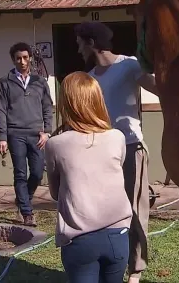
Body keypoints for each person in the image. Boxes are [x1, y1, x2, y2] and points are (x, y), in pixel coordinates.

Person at [74, 21, 157, 282]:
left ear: (91, 43)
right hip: (102, 151)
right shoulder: (90, 79)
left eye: (79, 42)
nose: (77, 48)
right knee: (107, 210)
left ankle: (137, 268)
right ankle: (113, 262)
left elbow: (158, 87)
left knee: (134, 209)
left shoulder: (129, 65)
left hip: (131, 147)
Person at [45, 71, 133, 283]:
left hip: (79, 240)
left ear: (67, 104)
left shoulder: (55, 144)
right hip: (118, 236)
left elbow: (56, 193)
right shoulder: (117, 137)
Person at [0, 42, 54, 227]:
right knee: (20, 173)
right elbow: (0, 110)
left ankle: (23, 200)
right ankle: (27, 213)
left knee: (37, 173)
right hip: (15, 134)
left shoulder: (40, 82)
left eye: (25, 57)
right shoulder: (4, 82)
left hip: (37, 135)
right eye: (18, 58)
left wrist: (47, 132)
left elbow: (47, 107)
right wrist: (2, 137)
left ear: (30, 59)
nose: (22, 61)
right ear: (13, 59)